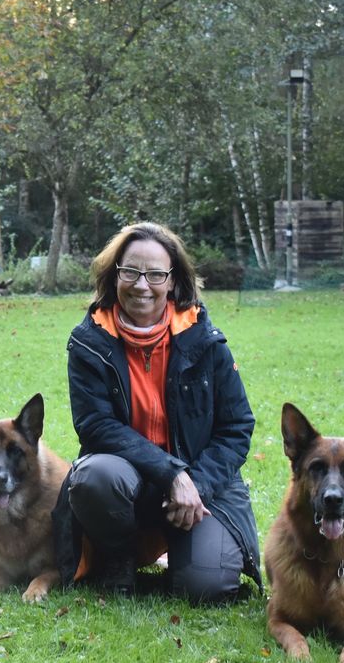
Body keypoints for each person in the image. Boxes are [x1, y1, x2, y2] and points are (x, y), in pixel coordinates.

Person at [53, 222, 262, 603]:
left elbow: (237, 427)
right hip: (125, 482)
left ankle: (184, 555)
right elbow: (95, 426)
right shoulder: (89, 342)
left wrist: (194, 483)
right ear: (114, 275)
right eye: (130, 271)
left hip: (201, 486)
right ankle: (119, 557)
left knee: (206, 588)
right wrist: (171, 474)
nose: (141, 285)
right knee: (95, 475)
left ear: (173, 281)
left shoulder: (205, 341)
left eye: (155, 274)